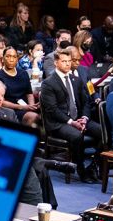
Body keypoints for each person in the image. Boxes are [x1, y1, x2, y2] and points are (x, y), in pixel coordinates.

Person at [39, 46, 103, 181]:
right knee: (77, 136)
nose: (67, 64)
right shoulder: (48, 83)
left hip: (79, 119)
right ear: (56, 63)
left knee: (103, 132)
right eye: (64, 61)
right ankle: (80, 170)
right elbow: (52, 110)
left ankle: (94, 165)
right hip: (59, 123)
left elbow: (86, 102)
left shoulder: (76, 80)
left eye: (69, 61)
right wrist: (71, 122)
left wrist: (84, 118)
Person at [0, 47, 39, 126]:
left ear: (17, 59)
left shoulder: (23, 73)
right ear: (2, 59)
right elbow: (1, 102)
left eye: (14, 57)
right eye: (8, 56)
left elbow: (29, 93)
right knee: (33, 117)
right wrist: (23, 107)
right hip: (9, 109)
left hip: (25, 106)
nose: (11, 59)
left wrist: (31, 106)